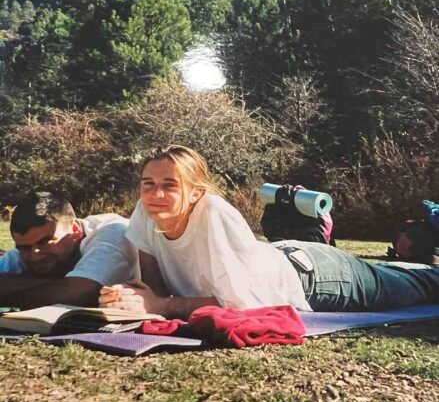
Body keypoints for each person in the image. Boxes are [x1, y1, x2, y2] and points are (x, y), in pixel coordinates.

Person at [98, 145, 439, 318]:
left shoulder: (214, 212)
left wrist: (160, 305)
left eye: (169, 185)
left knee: (422, 284)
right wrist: (136, 299)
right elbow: (156, 291)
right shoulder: (146, 210)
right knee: (400, 272)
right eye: (148, 184)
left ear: (197, 191)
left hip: (315, 276)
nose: (156, 194)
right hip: (282, 254)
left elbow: (240, 305)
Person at [0, 191, 140, 309]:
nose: (35, 255)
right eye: (24, 248)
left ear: (75, 230)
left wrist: (11, 287)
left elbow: (77, 294)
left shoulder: (113, 232)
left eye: (45, 242)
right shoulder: (29, 249)